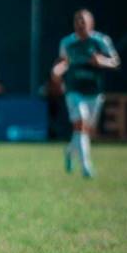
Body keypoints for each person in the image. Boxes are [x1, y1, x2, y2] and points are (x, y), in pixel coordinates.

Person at [51, 9, 119, 177]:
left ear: (91, 23)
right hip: (74, 89)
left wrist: (101, 61)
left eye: (83, 20)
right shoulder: (67, 42)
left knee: (85, 130)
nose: (80, 24)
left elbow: (115, 61)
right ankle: (86, 167)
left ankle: (69, 151)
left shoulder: (100, 40)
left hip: (94, 91)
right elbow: (63, 62)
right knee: (80, 124)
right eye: (77, 20)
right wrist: (57, 72)